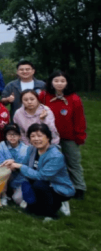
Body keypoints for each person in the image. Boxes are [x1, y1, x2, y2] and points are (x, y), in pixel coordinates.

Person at [2, 123, 75, 219]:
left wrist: (20, 166)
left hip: (57, 186)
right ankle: (44, 205)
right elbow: (25, 165)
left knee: (39, 185)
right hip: (37, 182)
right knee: (19, 200)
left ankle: (52, 213)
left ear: (48, 137)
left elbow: (42, 176)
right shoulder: (32, 149)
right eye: (32, 136)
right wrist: (13, 163)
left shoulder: (56, 156)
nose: (36, 139)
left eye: (40, 136)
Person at [39, 71, 87, 199]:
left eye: (62, 81)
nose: (59, 84)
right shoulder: (44, 96)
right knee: (50, 161)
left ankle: (79, 187)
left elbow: (79, 119)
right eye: (56, 81)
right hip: (49, 136)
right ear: (51, 83)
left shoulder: (74, 99)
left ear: (67, 83)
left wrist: (79, 136)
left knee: (73, 161)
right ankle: (53, 185)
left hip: (69, 136)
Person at [0, 124, 30, 205]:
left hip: (20, 176)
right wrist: (9, 164)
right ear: (6, 136)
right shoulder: (2, 145)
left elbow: (23, 167)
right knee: (3, 171)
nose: (12, 137)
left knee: (17, 198)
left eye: (15, 134)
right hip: (6, 172)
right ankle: (4, 196)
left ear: (19, 136)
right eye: (9, 134)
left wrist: (13, 163)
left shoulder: (25, 149)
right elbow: (1, 162)